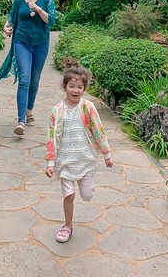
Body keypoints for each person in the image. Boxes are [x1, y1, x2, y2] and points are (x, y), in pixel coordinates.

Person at [45, 62, 113, 243]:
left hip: (85, 158)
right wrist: (50, 162)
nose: (75, 90)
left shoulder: (88, 107)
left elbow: (99, 130)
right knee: (69, 195)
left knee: (87, 195)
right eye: (71, 86)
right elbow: (51, 136)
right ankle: (67, 225)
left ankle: (87, 186)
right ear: (65, 86)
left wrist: (106, 155)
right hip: (65, 159)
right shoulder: (57, 111)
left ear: (84, 88)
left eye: (80, 87)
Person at [0, 0, 56, 136]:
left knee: (34, 79)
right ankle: (21, 120)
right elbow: (11, 17)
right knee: (24, 79)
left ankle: (29, 110)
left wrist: (38, 9)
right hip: (21, 42)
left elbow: (51, 21)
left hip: (41, 43)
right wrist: (6, 27)